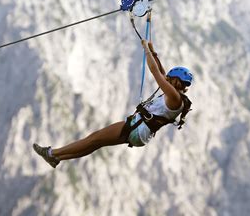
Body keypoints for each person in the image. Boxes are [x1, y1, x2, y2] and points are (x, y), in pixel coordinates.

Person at [33, 39, 193, 168]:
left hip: (137, 128)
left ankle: (52, 153)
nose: (166, 80)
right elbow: (163, 74)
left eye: (170, 80)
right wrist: (153, 52)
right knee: (95, 143)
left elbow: (156, 73)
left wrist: (145, 49)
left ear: (175, 81)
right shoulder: (177, 97)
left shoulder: (173, 96)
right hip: (141, 132)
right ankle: (56, 157)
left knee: (93, 139)